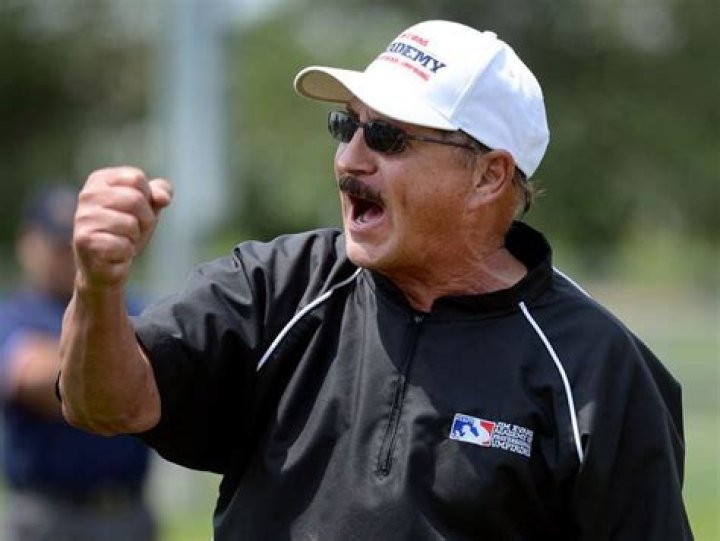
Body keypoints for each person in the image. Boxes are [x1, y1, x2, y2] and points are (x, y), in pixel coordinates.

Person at [58, 20, 693, 540]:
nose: (350, 158)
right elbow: (103, 405)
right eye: (347, 125)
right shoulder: (276, 287)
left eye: (387, 136)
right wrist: (98, 286)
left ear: (489, 177)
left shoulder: (596, 368)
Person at [0, 185, 156, 541]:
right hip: (46, 518)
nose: (69, 256)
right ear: (27, 244)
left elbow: (164, 372)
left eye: (76, 244)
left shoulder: (130, 306)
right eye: (58, 245)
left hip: (127, 513)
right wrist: (119, 362)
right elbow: (34, 380)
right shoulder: (13, 314)